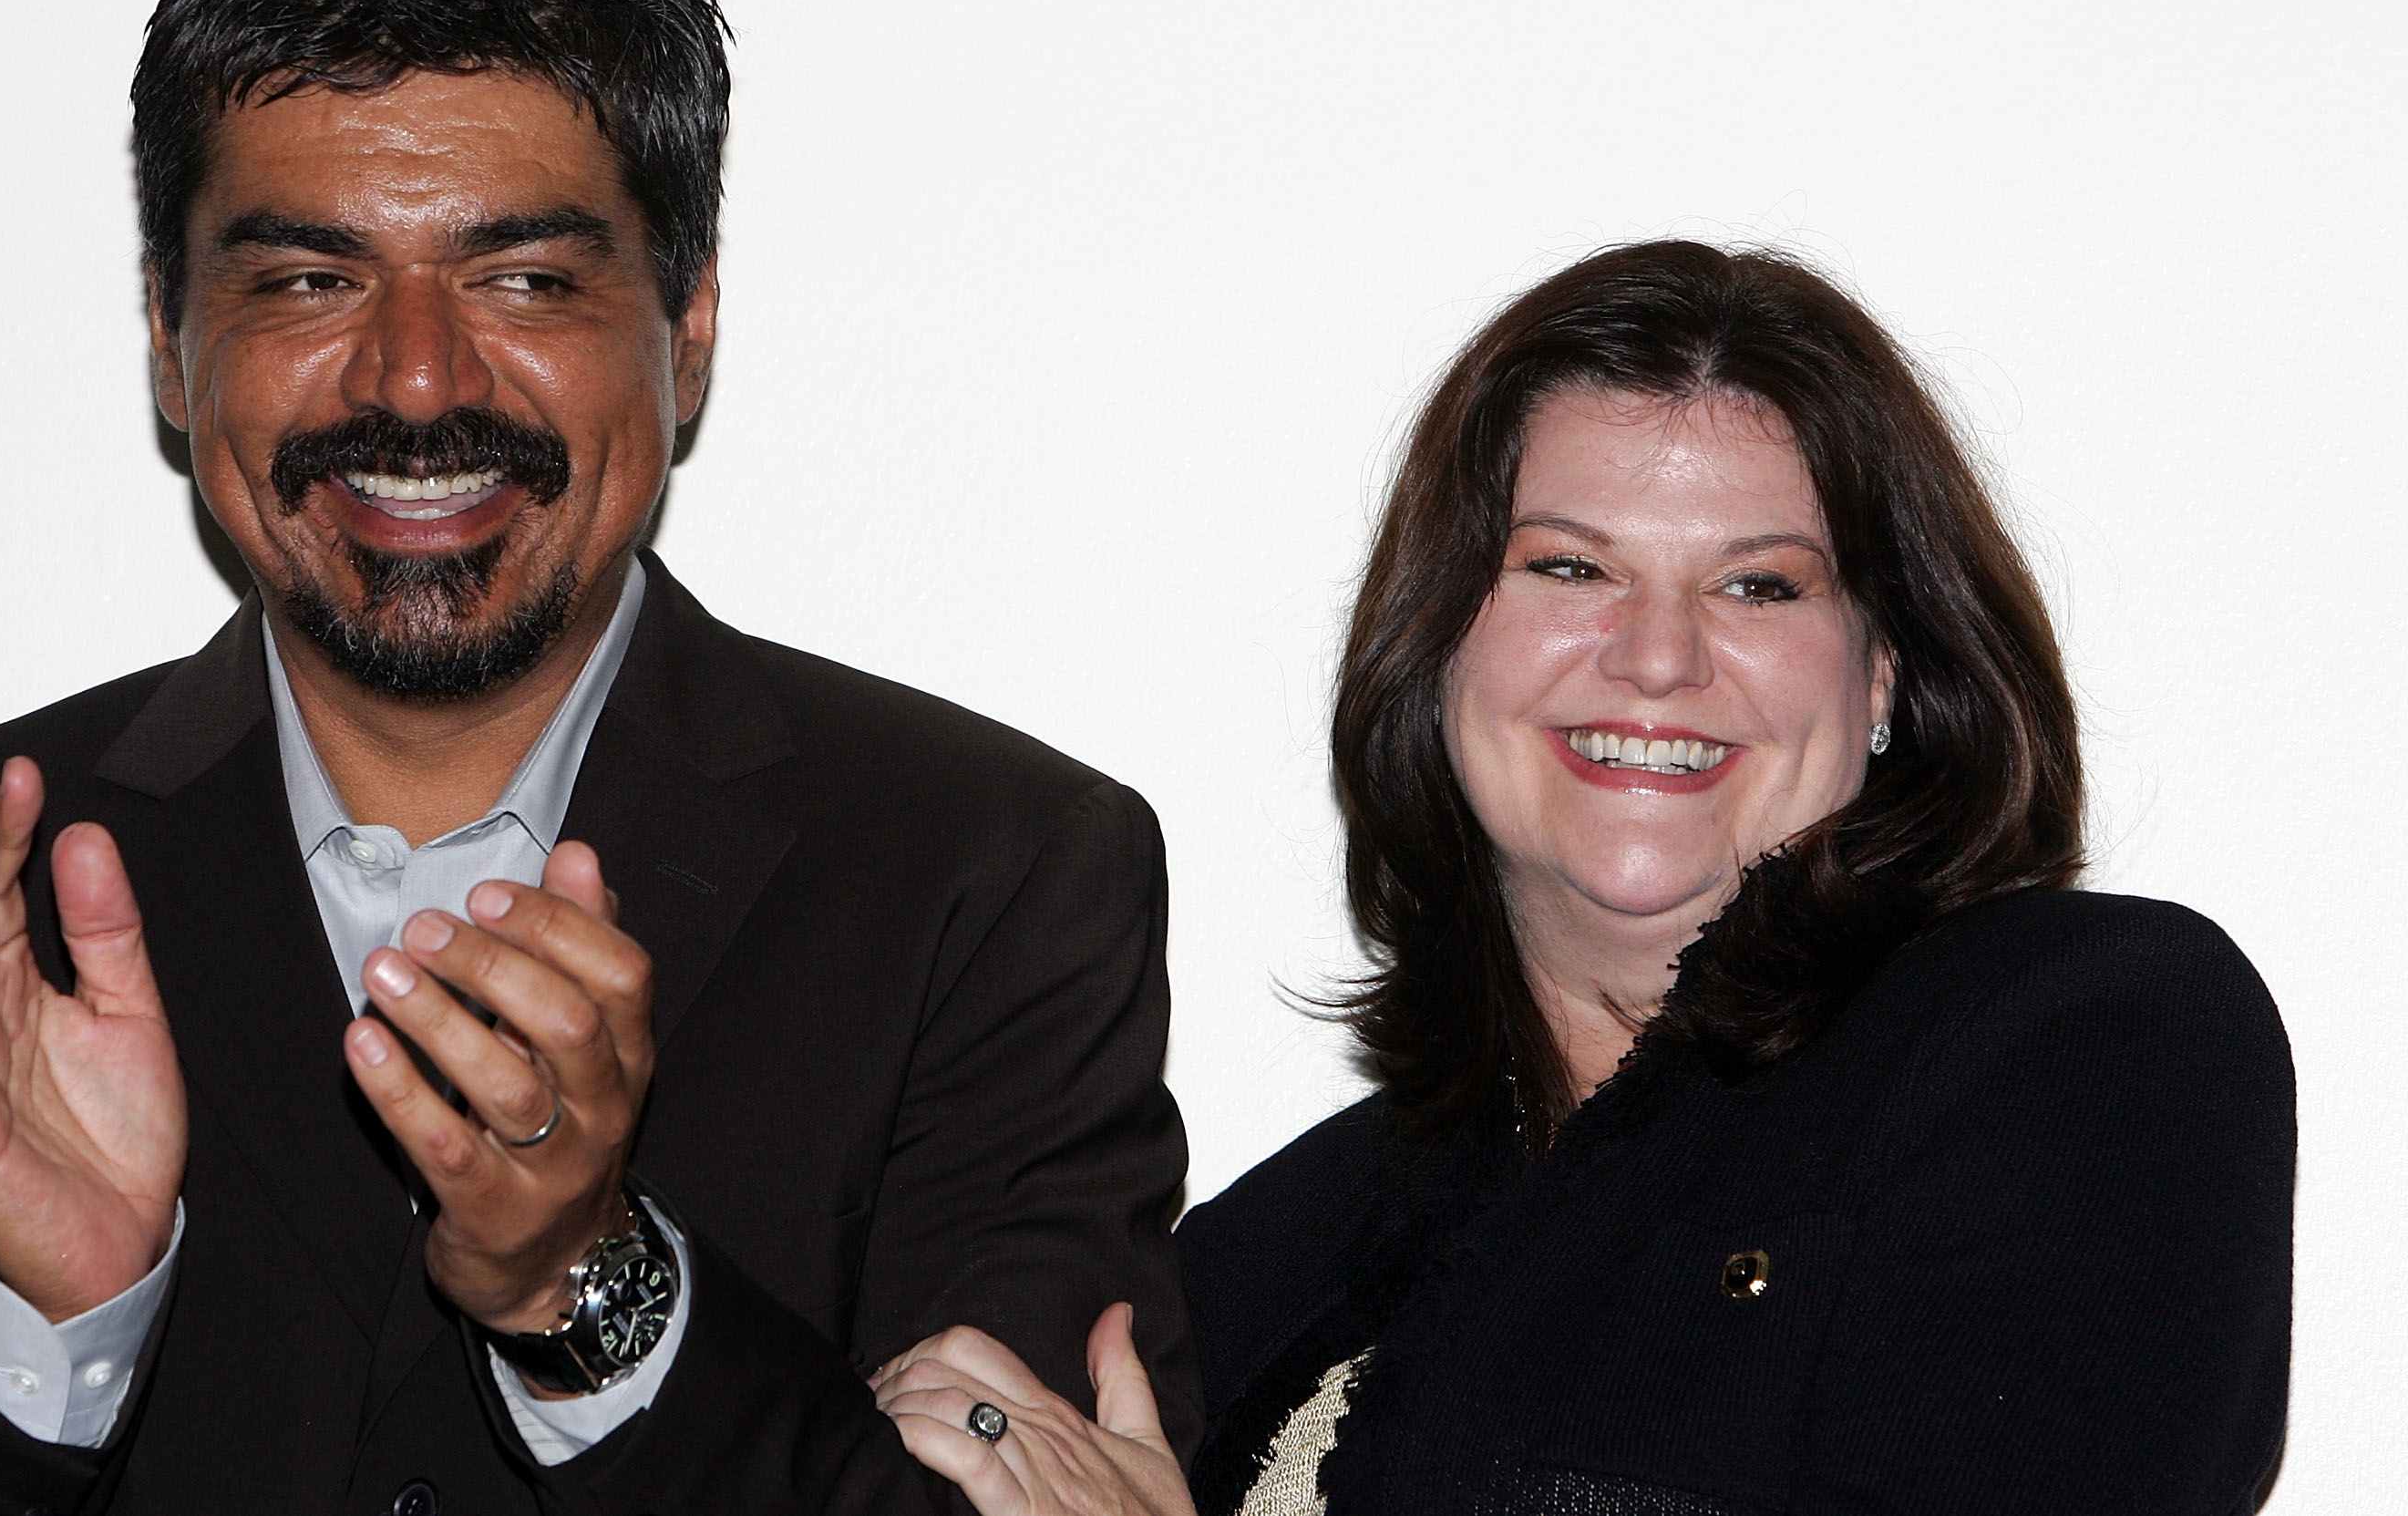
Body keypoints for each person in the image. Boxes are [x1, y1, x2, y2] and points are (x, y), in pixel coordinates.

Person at [0, 0, 1197, 1515]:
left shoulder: (989, 880)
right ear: (173, 352)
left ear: (686, 330)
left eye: (527, 276)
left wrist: (597, 1293)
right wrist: (33, 1322)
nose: (411, 380)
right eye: (313, 277)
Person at [871, 241, 2295, 1515]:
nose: (1657, 655)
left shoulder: (2081, 1046)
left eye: (1760, 585)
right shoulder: (1262, 1250)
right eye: (1568, 569)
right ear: (1438, 654)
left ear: (1887, 674)